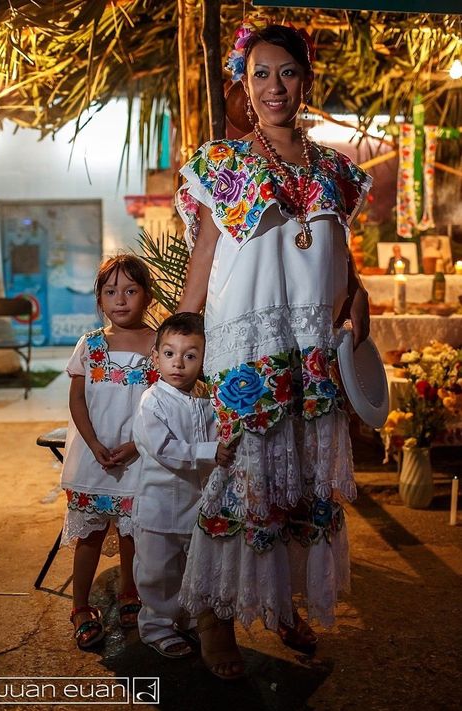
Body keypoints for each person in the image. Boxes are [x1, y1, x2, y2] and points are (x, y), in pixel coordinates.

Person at [175, 22, 372, 679]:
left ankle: (285, 606)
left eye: (286, 72)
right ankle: (215, 619)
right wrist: (176, 342)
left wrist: (361, 292)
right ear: (244, 83)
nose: (273, 87)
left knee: (304, 488)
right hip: (246, 353)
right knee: (242, 485)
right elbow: (202, 261)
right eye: (260, 73)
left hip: (311, 353)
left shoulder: (337, 172)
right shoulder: (222, 164)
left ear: (305, 80)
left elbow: (338, 257)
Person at [60, 254, 158, 649]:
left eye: (131, 290)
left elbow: (164, 403)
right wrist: (95, 444)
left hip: (140, 457)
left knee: (135, 533)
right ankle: (80, 606)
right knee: (91, 535)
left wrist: (137, 444)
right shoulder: (91, 344)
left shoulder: (159, 344)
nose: (121, 299)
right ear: (99, 300)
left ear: (147, 297)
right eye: (111, 291)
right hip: (94, 458)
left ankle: (130, 592)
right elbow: (78, 401)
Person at [132, 313, 235, 658]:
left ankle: (189, 616)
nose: (179, 364)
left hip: (196, 506)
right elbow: (165, 450)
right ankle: (156, 626)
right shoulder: (153, 401)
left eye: (190, 355)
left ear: (204, 359)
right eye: (170, 354)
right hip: (159, 507)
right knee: (158, 571)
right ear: (156, 357)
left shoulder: (206, 401)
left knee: (192, 566)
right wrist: (211, 452)